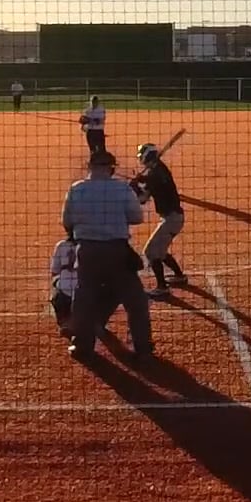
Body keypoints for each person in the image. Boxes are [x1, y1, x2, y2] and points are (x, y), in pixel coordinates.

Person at [60, 148, 152, 362]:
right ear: (111, 169)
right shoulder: (121, 189)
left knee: (84, 298)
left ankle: (82, 345)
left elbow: (67, 222)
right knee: (135, 301)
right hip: (117, 251)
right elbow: (137, 218)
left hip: (87, 251)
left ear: (89, 167)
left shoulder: (76, 189)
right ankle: (143, 348)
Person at [129, 142, 188, 298]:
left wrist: (136, 185)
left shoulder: (156, 174)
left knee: (150, 252)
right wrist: (139, 183)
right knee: (159, 251)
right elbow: (146, 194)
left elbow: (145, 195)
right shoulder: (158, 170)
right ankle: (179, 276)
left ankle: (162, 287)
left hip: (171, 219)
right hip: (173, 218)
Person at [48, 234, 79, 338]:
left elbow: (54, 271)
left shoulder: (61, 245)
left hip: (65, 293)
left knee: (56, 287)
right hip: (85, 293)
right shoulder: (91, 246)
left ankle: (64, 322)